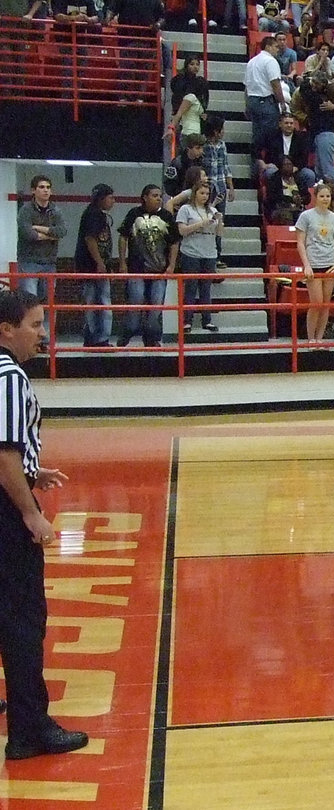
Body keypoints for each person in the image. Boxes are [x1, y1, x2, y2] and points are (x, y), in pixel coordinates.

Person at [0, 289, 90, 759]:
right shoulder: (10, 378)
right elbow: (4, 455)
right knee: (23, 619)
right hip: (5, 512)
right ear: (7, 330)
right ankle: (30, 729)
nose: (42, 334)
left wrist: (34, 472)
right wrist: (30, 511)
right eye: (35, 325)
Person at [117, 185, 180, 349]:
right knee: (136, 304)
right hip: (137, 268)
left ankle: (151, 337)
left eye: (160, 196)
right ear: (144, 197)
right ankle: (128, 331)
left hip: (159, 269)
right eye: (154, 195)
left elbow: (174, 242)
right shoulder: (133, 214)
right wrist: (122, 262)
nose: (158, 198)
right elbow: (123, 237)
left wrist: (171, 265)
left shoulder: (166, 216)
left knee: (156, 306)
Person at [294, 183, 334, 345]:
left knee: (325, 304)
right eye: (322, 196)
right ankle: (310, 339)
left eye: (328, 196)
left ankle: (319, 339)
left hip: (330, 263)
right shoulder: (306, 216)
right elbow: (300, 243)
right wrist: (306, 265)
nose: (325, 199)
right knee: (316, 302)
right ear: (316, 197)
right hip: (313, 263)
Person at [174, 179, 223, 333]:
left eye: (207, 194)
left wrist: (219, 222)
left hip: (209, 253)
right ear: (194, 193)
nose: (205, 196)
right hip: (191, 252)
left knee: (206, 288)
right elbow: (182, 231)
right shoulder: (186, 209)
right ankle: (187, 321)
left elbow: (219, 234)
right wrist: (201, 224)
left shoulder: (212, 211)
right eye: (202, 193)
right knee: (191, 287)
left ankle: (206, 320)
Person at [74, 184, 115, 348]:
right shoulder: (93, 215)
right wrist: (99, 262)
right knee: (99, 303)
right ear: (101, 198)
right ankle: (99, 338)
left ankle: (94, 338)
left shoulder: (95, 214)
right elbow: (90, 239)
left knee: (95, 302)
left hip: (93, 265)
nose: (113, 201)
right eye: (110, 197)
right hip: (91, 266)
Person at [16, 175, 65, 303]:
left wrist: (39, 228)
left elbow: (62, 231)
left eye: (48, 187)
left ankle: (47, 324)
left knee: (48, 302)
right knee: (29, 301)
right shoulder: (25, 210)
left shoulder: (55, 211)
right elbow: (28, 234)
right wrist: (52, 235)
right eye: (41, 187)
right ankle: (29, 324)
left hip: (50, 262)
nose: (46, 190)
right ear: (33, 190)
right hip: (28, 262)